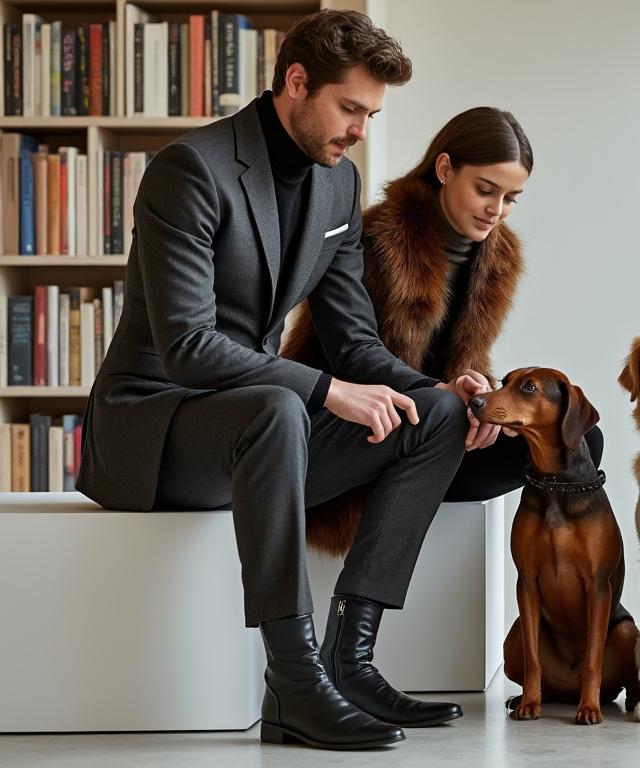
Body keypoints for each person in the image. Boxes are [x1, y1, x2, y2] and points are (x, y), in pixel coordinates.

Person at [77, 10, 474, 750]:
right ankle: (293, 685)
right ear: (296, 82)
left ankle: (349, 661)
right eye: (349, 108)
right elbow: (190, 346)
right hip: (157, 427)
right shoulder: (189, 170)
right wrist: (324, 393)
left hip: (258, 432)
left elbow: (354, 342)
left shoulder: (337, 189)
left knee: (436, 416)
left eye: (371, 114)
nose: (360, 128)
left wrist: (441, 391)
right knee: (279, 410)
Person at [282, 106, 604, 555]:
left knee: (578, 433)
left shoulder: (499, 258)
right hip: (357, 434)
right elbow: (354, 357)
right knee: (446, 411)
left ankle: (554, 580)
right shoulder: (376, 238)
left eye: (511, 199)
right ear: (445, 168)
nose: (497, 211)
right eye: (486, 190)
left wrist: (484, 397)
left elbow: (469, 362)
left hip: (442, 426)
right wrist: (444, 394)